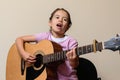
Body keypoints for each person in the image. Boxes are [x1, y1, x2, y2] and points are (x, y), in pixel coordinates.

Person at [15, 8, 79, 80]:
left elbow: (74, 65)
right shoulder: (44, 36)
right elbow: (19, 39)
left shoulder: (71, 41)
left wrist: (73, 60)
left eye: (65, 19)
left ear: (67, 27)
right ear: (50, 22)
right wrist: (23, 53)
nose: (60, 20)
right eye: (57, 17)